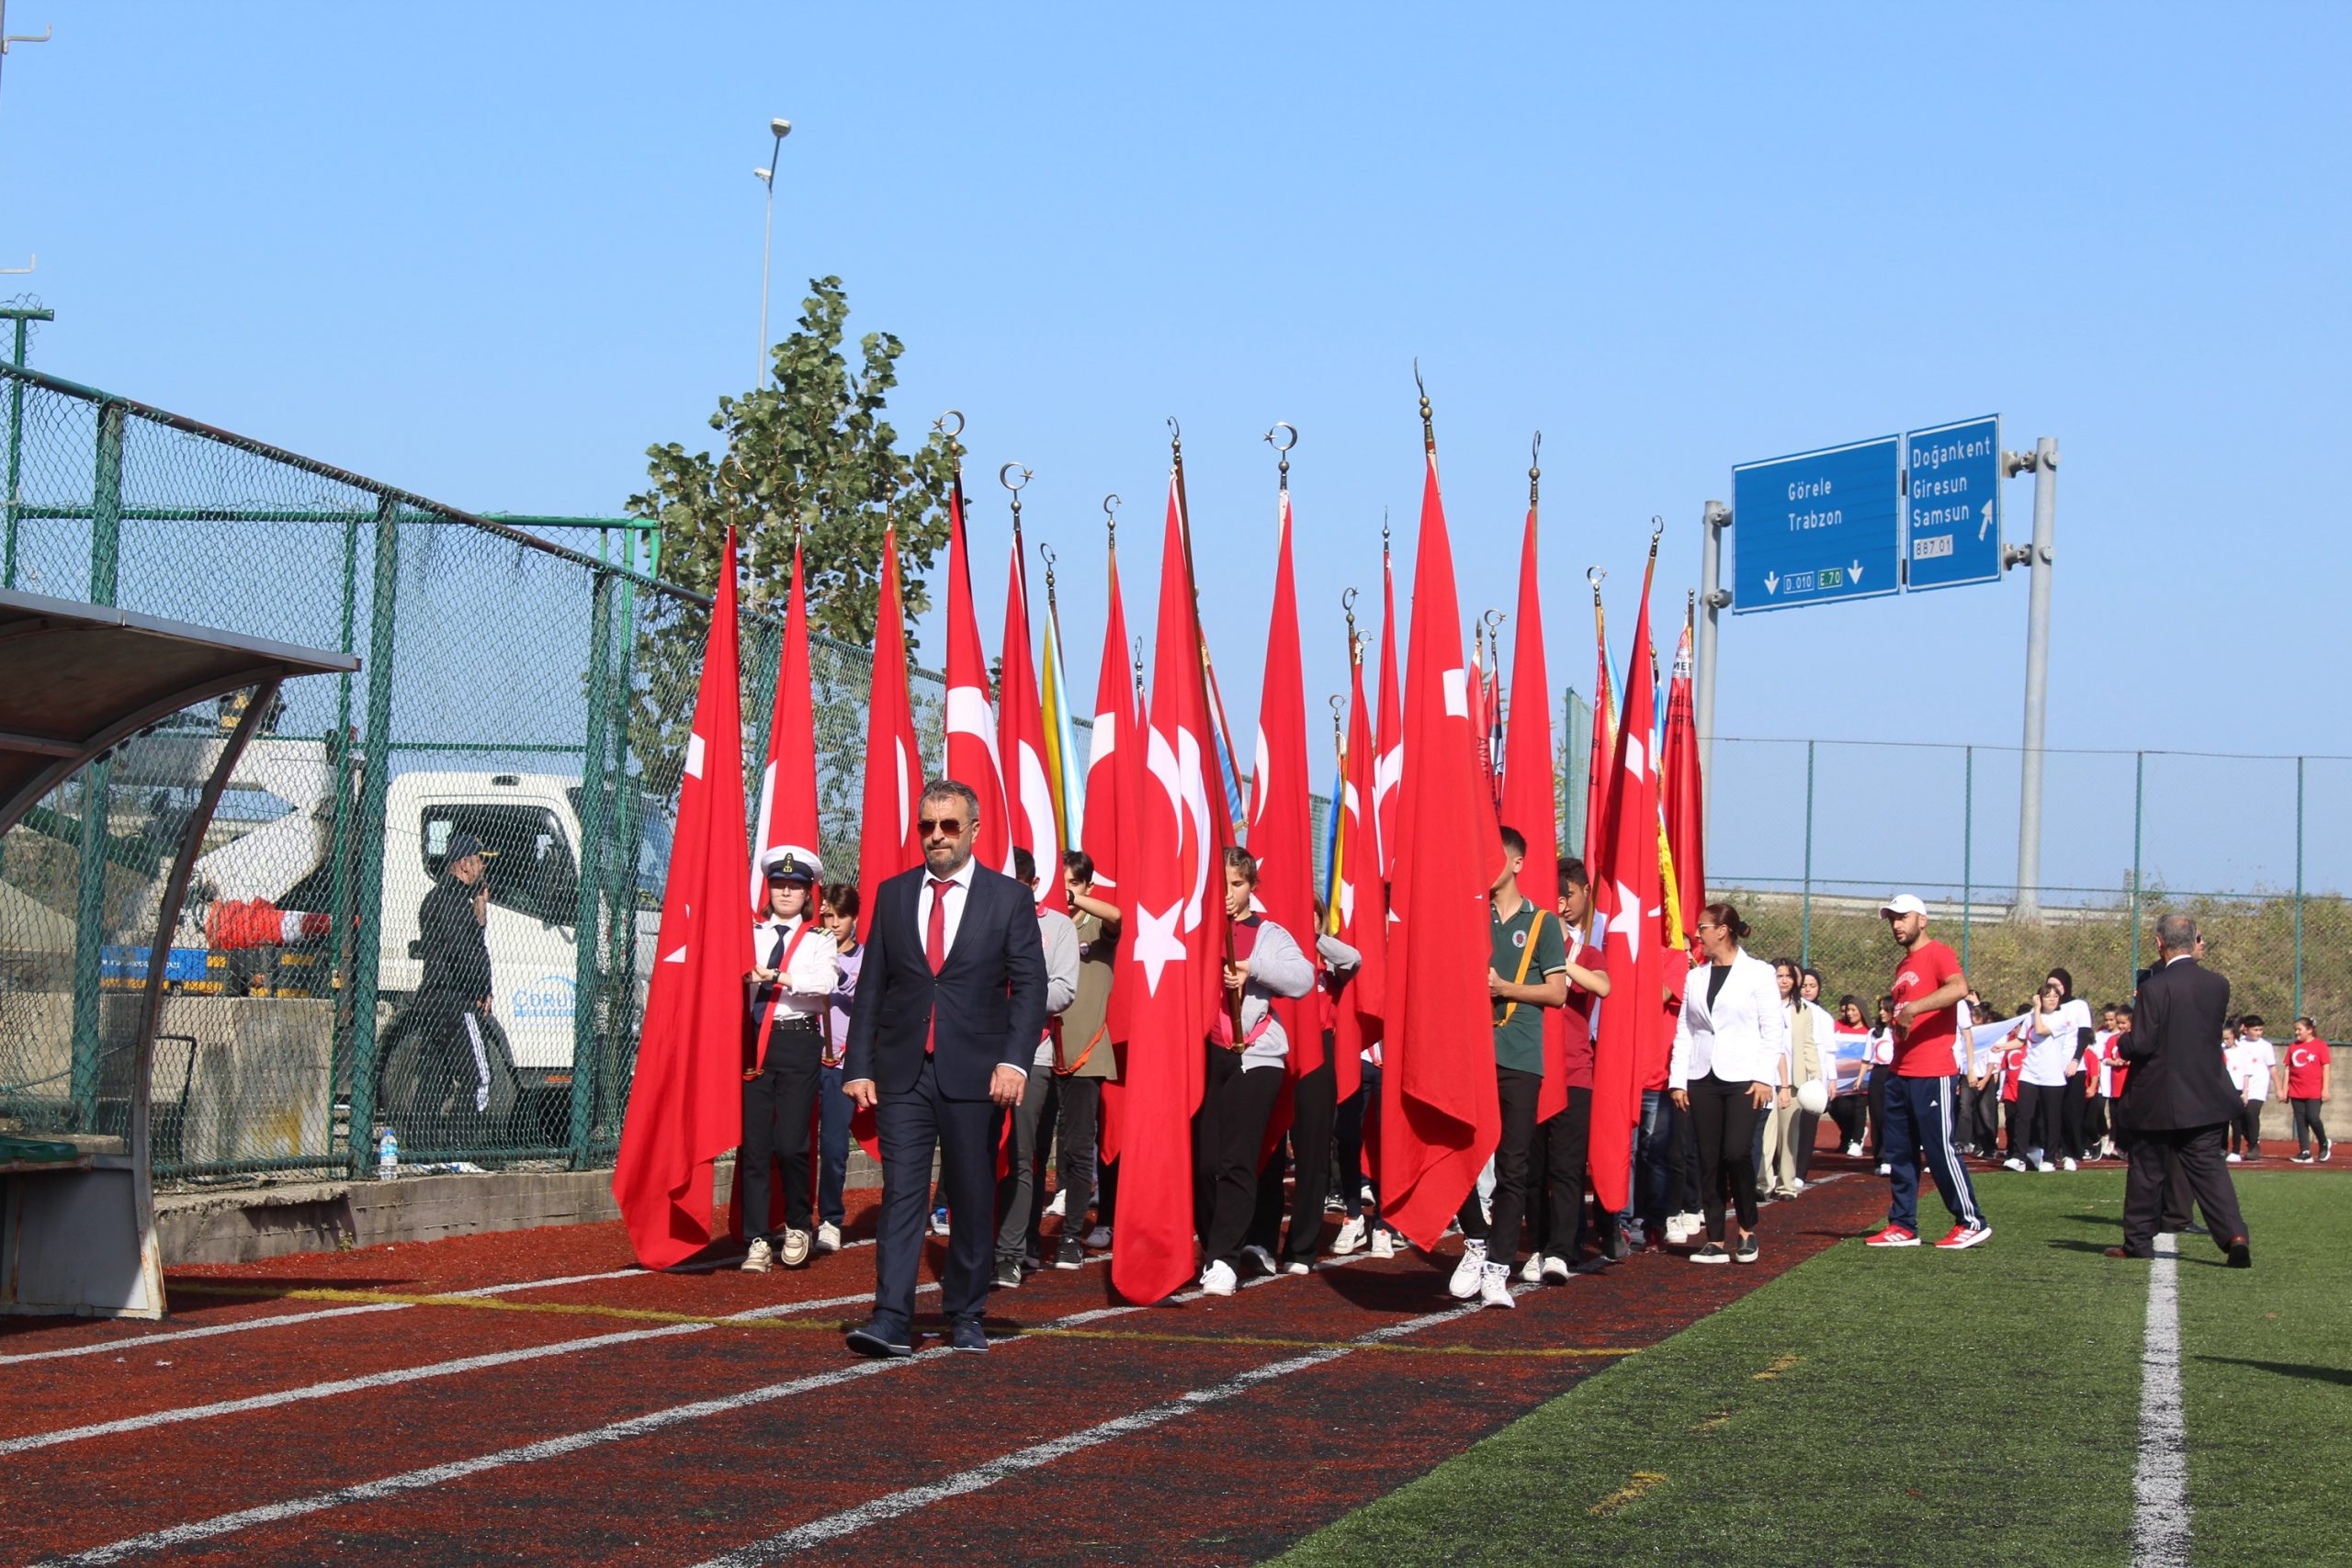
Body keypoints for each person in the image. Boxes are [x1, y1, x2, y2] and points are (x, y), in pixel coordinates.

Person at [842, 780, 1048, 1358]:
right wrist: (859, 1064)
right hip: (903, 1072)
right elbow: (873, 986)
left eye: (949, 825)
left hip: (978, 1073)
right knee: (902, 1192)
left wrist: (1014, 1060)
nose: (936, 836)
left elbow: (1030, 986)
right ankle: (890, 1315)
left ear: (974, 830)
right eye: (927, 826)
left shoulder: (1007, 899)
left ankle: (966, 1313)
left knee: (972, 1191)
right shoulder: (894, 893)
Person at [1450, 829, 1571, 1303]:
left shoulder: (1540, 923)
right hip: (1471, 1054)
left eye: (1495, 856)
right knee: (1459, 1153)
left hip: (1520, 1057)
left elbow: (1558, 993)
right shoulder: (1471, 918)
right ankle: (1476, 1242)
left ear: (1517, 864)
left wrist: (1506, 989)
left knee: (1513, 1166)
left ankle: (1499, 1266)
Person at [1193, 847, 1316, 1296]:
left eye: (1237, 884)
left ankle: (1225, 1258)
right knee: (1204, 1164)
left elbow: (1303, 978)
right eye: (1222, 884)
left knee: (1236, 1160)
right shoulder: (1199, 929)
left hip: (1256, 1056)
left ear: (1251, 888)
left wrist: (1252, 969)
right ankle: (1214, 1247)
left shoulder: (1269, 933)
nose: (1228, 894)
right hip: (1207, 1053)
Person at [2108, 913, 2250, 1266]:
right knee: (2209, 1170)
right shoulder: (2218, 984)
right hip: (2205, 1094)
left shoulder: (2154, 987)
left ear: (2159, 943)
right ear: (2194, 939)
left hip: (2157, 1095)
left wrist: (2122, 1044)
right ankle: (2235, 1235)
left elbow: (2143, 1042)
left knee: (2146, 1170)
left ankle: (2138, 1242)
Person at [1862, 894, 1991, 1250]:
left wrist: (1914, 1008)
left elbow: (1959, 988)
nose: (1896, 924)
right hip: (1900, 1071)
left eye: (1902, 917)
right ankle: (1903, 1224)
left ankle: (1971, 1220)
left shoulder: (1939, 953)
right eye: (1892, 919)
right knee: (1899, 1152)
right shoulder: (1904, 966)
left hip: (1932, 1071)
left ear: (1922, 919)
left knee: (1939, 1150)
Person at [737, 847, 840, 1272]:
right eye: (778, 884)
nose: (785, 891)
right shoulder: (751, 932)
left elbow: (825, 983)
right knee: (756, 1146)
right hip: (753, 1042)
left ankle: (799, 1223)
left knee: (792, 1143)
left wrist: (777, 976)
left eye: (794, 886)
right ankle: (757, 1237)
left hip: (797, 1041)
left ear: (807, 894)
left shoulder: (820, 938)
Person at [1667, 904, 1783, 1264]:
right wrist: (1678, 1080)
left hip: (1745, 1079)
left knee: (1736, 1151)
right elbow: (1686, 1030)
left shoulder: (1758, 974)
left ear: (1723, 930)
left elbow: (1772, 1029)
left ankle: (1747, 1228)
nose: (1697, 934)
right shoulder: (1695, 977)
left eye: (1702, 927)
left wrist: (1766, 1076)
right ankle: (1715, 1238)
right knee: (1707, 1157)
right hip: (1702, 1077)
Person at [992, 848, 1080, 1288]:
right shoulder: (982, 917)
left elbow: (1063, 990)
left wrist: (1013, 996)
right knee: (979, 1152)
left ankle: (1011, 1251)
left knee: (1021, 1154)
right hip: (979, 1052)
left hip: (1034, 1053)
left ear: (1033, 885)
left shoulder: (1058, 927)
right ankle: (984, 1243)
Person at [1046, 851, 1120, 1267]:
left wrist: (1074, 901)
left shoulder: (1095, 924)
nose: (1065, 894)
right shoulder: (1043, 928)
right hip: (1041, 1053)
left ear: (1087, 886)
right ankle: (1019, 1241)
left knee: (1077, 1149)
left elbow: (1117, 917)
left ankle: (1071, 1234)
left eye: (1071, 885)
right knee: (1035, 1148)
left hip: (1084, 1057)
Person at [411, 830, 498, 1146]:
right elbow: (465, 952)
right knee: (480, 1078)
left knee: (435, 1076)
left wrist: (479, 912)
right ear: (464, 864)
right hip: (454, 1000)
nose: (483, 869)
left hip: (433, 999)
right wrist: (481, 988)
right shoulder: (453, 903)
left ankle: (421, 1147)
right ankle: (461, 1146)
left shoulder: (436, 898)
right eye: (479, 862)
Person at [814, 882, 863, 1253]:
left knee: (833, 1146)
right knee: (793, 1144)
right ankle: (795, 1216)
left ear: (854, 919)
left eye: (840, 916)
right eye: (827, 915)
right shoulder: (810, 951)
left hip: (841, 1064)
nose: (833, 923)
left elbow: (863, 996)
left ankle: (830, 1218)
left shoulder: (864, 958)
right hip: (802, 1058)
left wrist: (837, 972)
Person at [1768, 958, 1832, 1199]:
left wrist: (1817, 1076)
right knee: (1765, 1135)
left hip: (1793, 1080)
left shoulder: (1802, 1009)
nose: (1783, 981)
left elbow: (1808, 1045)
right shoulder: (1761, 1004)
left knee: (1788, 1135)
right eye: (1778, 976)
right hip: (1765, 1078)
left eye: (1788, 976)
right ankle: (1762, 1183)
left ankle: (1786, 1185)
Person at [2016, 970, 2092, 1172]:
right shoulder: (2044, 1011)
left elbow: (2084, 1035)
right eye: (2049, 985)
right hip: (2050, 1067)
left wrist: (2076, 1059)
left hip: (2073, 1065)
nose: (2054, 989)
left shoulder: (2078, 1006)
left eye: (2057, 985)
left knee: (2070, 1112)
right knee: (2044, 1114)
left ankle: (2069, 1153)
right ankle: (2044, 1152)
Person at [2281, 1016, 2332, 1163]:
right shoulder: (2293, 1047)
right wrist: (2285, 1090)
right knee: (2300, 1120)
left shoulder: (2320, 1046)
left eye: (2299, 1029)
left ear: (2309, 1030)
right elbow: (2287, 1069)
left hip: (2314, 1090)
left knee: (2312, 1117)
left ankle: (2324, 1143)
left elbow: (2326, 1067)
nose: (2297, 1032)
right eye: (2295, 1029)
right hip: (2296, 1090)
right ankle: (2305, 1151)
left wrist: (2325, 1089)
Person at [2227, 1014, 2276, 1164]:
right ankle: (2252, 1140)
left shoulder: (2266, 1046)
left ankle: (2253, 1146)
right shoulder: (2239, 1044)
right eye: (2256, 1029)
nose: (2259, 1033)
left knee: (2251, 1113)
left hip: (2258, 1087)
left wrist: (2280, 1088)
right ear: (2245, 1030)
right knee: (2238, 1118)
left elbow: (2272, 1068)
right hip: (2241, 1086)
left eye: (2261, 1030)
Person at [1827, 997, 1872, 1156]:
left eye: (1854, 1010)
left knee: (1858, 1109)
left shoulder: (1870, 1031)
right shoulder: (1837, 1026)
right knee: (1835, 1108)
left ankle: (1855, 1140)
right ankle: (1849, 1133)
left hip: (1863, 1081)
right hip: (1839, 1082)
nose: (1850, 1013)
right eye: (1848, 1010)